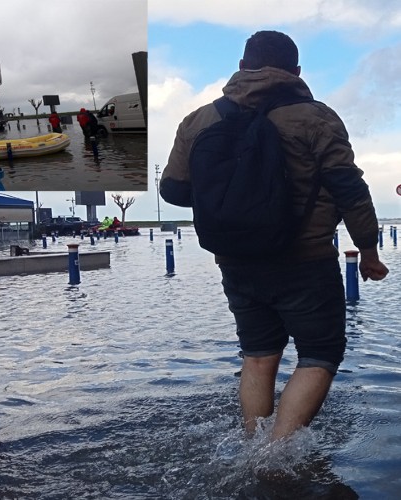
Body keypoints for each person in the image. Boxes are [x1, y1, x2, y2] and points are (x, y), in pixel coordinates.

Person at [160, 30, 388, 441]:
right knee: (320, 353)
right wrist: (369, 251)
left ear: (243, 66)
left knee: (259, 356)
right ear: (296, 72)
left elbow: (173, 191)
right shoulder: (316, 117)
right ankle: (277, 458)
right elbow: (349, 188)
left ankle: (252, 449)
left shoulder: (199, 120)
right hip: (306, 261)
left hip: (235, 263)